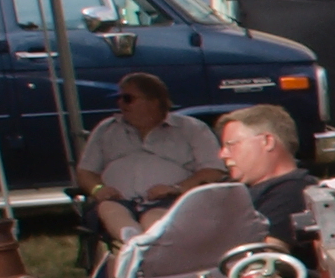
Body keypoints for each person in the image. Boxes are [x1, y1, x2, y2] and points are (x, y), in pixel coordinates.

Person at [73, 72, 227, 241]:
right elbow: (86, 171)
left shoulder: (191, 129)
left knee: (155, 216)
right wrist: (98, 189)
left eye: (128, 98)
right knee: (108, 209)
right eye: (119, 98)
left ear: (154, 101)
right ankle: (133, 241)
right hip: (117, 200)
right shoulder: (106, 129)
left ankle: (146, 244)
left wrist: (176, 188)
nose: (120, 103)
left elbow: (214, 170)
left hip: (169, 202)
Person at [217, 104, 320, 253]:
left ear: (267, 141)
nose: (223, 154)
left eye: (231, 145)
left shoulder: (293, 193)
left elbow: (266, 258)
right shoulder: (234, 187)